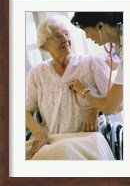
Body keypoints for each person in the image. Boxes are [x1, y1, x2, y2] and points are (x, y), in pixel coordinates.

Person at [26, 15, 114, 160]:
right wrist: (40, 133)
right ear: (44, 45)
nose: (65, 39)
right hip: (51, 139)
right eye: (57, 35)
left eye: (67, 34)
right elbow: (26, 111)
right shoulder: (37, 73)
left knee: (62, 151)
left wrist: (95, 109)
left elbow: (114, 101)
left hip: (86, 139)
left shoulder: (91, 63)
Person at [70, 12, 123, 115]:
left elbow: (108, 107)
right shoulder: (117, 44)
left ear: (100, 26)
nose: (86, 37)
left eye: (86, 31)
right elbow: (115, 63)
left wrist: (83, 90)